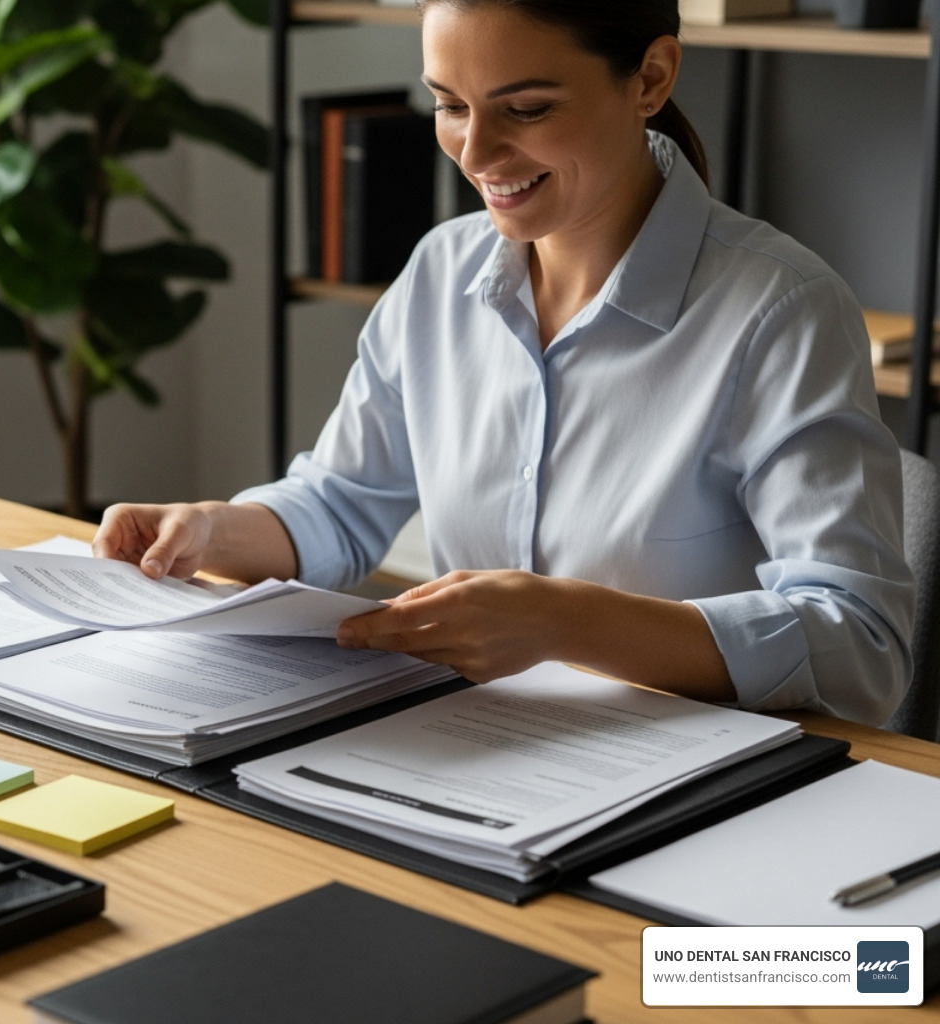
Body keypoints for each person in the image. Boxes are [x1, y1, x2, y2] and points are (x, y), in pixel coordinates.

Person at [93, 0, 915, 726]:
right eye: (449, 105)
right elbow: (342, 504)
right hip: (476, 749)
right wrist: (209, 529)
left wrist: (569, 622)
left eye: (524, 107)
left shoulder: (781, 310)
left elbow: (862, 645)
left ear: (651, 77)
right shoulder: (439, 272)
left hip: (682, 779)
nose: (476, 152)